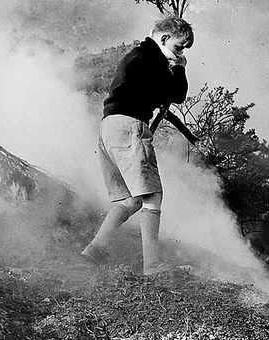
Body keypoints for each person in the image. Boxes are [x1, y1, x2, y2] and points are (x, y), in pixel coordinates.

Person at [80, 16, 193, 275]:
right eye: (179, 47)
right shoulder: (152, 59)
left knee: (129, 200)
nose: (180, 53)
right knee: (153, 195)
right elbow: (178, 95)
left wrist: (173, 65)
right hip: (130, 126)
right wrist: (179, 68)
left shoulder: (137, 56)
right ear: (163, 39)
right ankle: (152, 265)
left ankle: (94, 250)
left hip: (109, 128)